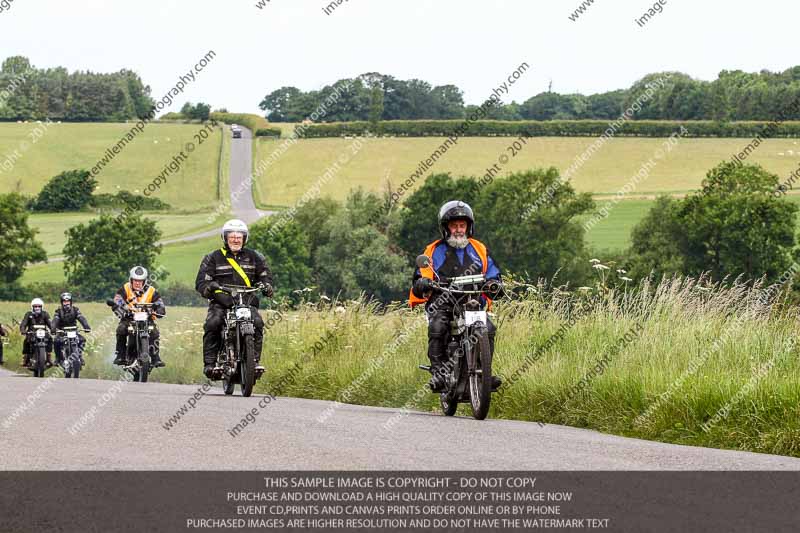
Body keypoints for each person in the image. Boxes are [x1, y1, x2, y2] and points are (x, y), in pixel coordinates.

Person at [409, 200, 504, 391]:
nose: (459, 229)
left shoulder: (480, 249)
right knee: (438, 326)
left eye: (462, 225)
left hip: (473, 301)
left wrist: (495, 284)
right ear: (446, 228)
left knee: (489, 327)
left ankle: (484, 374)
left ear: (469, 226)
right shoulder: (434, 250)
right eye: (454, 225)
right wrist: (423, 282)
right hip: (443, 302)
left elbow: (493, 273)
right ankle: (439, 374)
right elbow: (422, 274)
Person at [195, 219, 274, 379]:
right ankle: (210, 364)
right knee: (213, 323)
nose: (236, 239)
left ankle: (254, 362)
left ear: (245, 239)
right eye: (232, 236)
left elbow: (266, 277)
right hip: (221, 302)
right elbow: (202, 282)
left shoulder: (255, 257)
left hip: (247, 302)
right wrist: (209, 288)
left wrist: (267, 286)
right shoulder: (212, 257)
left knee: (257, 322)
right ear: (225, 238)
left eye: (239, 236)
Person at [112, 266, 166, 367]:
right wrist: (119, 308)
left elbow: (160, 303)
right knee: (121, 329)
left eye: (140, 281)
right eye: (135, 280)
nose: (137, 283)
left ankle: (155, 358)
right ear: (131, 280)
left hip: (147, 319)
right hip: (129, 318)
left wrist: (159, 309)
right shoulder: (125, 288)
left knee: (154, 332)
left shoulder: (152, 291)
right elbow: (117, 300)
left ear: (144, 281)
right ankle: (120, 355)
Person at [52, 292, 92, 367]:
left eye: (68, 301)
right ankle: (58, 358)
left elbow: (81, 318)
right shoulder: (58, 311)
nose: (66, 303)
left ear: (71, 302)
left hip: (74, 332)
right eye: (64, 301)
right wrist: (53, 328)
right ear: (61, 302)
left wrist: (86, 326)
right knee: (56, 341)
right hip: (62, 332)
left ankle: (80, 356)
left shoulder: (75, 310)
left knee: (82, 340)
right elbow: (55, 320)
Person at [20, 298, 54, 369]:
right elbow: (24, 323)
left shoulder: (45, 314)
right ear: (32, 307)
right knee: (26, 341)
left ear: (42, 307)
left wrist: (53, 329)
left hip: (43, 334)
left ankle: (49, 357)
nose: (37, 308)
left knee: (50, 339)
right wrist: (23, 330)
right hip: (31, 333)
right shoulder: (28, 314)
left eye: (39, 306)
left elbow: (50, 323)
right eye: (35, 306)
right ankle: (25, 358)